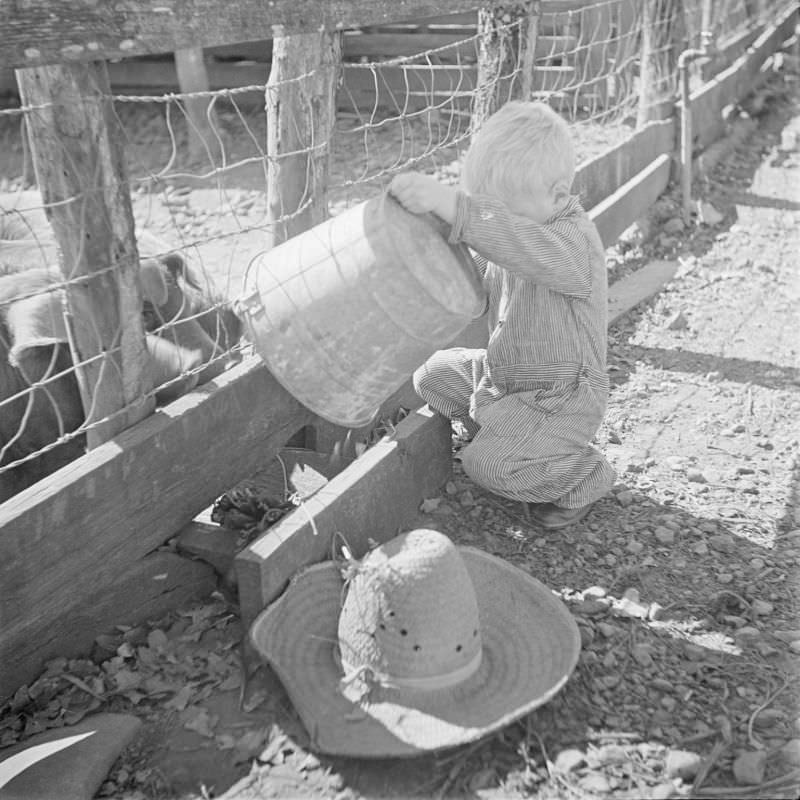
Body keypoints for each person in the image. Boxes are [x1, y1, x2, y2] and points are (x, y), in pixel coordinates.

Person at [388, 100, 616, 529]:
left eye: (504, 214)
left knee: (487, 467)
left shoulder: (571, 244)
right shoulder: (517, 230)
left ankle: (585, 474)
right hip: (503, 377)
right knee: (431, 376)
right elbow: (481, 271)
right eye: (485, 209)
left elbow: (513, 242)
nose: (498, 226)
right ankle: (508, 437)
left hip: (560, 397)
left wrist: (462, 210)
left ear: (558, 195)